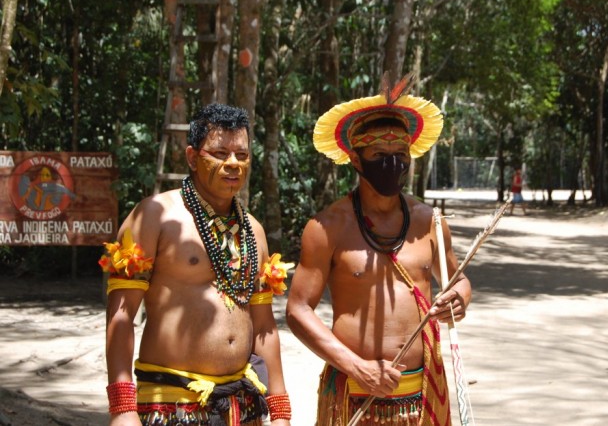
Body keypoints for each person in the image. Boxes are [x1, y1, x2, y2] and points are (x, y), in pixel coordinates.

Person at [286, 74, 472, 425]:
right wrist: (357, 366)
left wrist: (460, 297)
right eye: (379, 154)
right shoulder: (327, 227)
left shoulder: (429, 222)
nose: (393, 163)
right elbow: (297, 311)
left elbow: (457, 278)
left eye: (401, 154)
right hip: (354, 394)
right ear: (356, 160)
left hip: (421, 396)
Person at [101, 103, 292, 426]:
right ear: (192, 157)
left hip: (241, 403)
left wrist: (280, 411)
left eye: (242, 155)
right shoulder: (154, 216)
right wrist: (122, 407)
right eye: (219, 153)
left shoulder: (253, 231)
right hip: (171, 402)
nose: (233, 164)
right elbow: (121, 316)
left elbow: (264, 328)